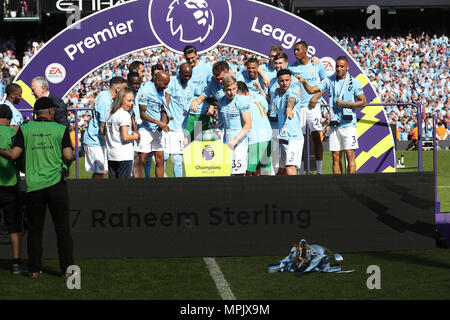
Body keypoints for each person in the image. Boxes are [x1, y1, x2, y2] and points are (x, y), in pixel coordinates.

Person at [0, 97, 75, 279]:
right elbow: (69, 155)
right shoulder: (61, 129)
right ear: (50, 111)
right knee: (62, 229)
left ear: (35, 113)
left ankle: (34, 269)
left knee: (35, 229)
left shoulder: (25, 129)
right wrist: (64, 163)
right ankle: (67, 270)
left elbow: (14, 154)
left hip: (34, 186)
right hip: (56, 184)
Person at [298, 56, 367, 174]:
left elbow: (363, 102)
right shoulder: (329, 80)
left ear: (347, 67)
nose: (339, 69)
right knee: (335, 156)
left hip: (349, 124)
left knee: (350, 154)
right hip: (334, 124)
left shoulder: (354, 82)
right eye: (337, 66)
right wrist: (304, 82)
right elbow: (311, 90)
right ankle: (339, 185)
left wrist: (347, 104)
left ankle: (352, 183)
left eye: (341, 66)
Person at [289, 41, 328, 175]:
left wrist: (316, 97)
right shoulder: (292, 68)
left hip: (314, 107)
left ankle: (319, 171)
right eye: (294, 50)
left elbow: (326, 83)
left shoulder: (317, 64)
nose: (295, 52)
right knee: (299, 140)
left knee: (316, 137)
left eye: (298, 50)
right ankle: (300, 171)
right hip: (299, 108)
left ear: (306, 50)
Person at [83, 76, 127, 179]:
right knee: (100, 172)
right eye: (124, 89)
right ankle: (92, 194)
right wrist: (110, 146)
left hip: (99, 140)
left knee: (103, 170)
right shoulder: (105, 101)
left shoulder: (105, 95)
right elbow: (102, 128)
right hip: (95, 140)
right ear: (118, 89)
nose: (125, 92)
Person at [0, 104, 26, 274]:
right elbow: (20, 160)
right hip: (9, 184)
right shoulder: (13, 133)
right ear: (9, 119)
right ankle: (16, 262)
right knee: (14, 225)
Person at [135, 71, 170, 178]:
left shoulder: (161, 91)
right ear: (158, 81)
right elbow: (142, 114)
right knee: (142, 159)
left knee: (160, 159)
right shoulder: (146, 91)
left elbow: (163, 109)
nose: (166, 86)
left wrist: (163, 123)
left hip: (157, 131)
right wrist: (158, 122)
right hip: (145, 129)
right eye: (165, 83)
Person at [217, 75, 252, 176]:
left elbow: (248, 124)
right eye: (228, 90)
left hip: (239, 142)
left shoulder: (241, 101)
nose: (232, 92)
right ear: (223, 89)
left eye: (234, 89)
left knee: (239, 173)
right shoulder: (221, 101)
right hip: (226, 139)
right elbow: (222, 121)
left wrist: (236, 140)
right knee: (227, 173)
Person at [164, 63, 194, 177]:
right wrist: (167, 116)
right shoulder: (172, 81)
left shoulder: (191, 85)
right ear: (179, 73)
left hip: (181, 128)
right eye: (185, 75)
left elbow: (201, 96)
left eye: (189, 75)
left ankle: (179, 185)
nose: (187, 78)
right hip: (168, 126)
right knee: (164, 156)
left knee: (177, 159)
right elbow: (166, 99)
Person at [271, 69, 303, 175]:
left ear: (291, 80)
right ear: (278, 81)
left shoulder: (293, 91)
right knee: (280, 170)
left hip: (293, 137)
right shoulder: (276, 94)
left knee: (290, 167)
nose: (284, 83)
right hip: (282, 137)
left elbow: (291, 99)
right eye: (282, 81)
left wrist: (289, 109)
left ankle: (295, 191)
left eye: (287, 80)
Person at [237, 82, 272, 176]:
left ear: (244, 92)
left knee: (248, 170)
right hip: (267, 135)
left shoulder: (243, 102)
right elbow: (265, 109)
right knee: (263, 170)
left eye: (237, 94)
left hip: (255, 137)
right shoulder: (258, 96)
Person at [106, 88, 140, 178]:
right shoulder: (124, 115)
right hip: (123, 155)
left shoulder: (109, 112)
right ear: (121, 99)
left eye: (132, 101)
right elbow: (125, 137)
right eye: (129, 101)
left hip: (111, 154)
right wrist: (135, 136)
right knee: (123, 187)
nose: (131, 103)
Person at [183, 46, 213, 141]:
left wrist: (212, 106)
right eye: (188, 58)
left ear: (196, 55)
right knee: (186, 142)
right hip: (186, 112)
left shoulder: (206, 68)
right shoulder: (182, 68)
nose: (191, 60)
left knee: (199, 142)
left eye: (193, 58)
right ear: (184, 57)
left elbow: (213, 88)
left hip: (201, 111)